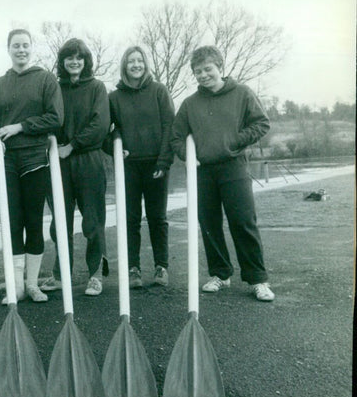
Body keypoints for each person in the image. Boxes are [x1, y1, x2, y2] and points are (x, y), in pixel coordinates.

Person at [171, 45, 274, 302]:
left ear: (220, 67)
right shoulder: (189, 104)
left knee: (243, 221)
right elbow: (175, 137)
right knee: (209, 223)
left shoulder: (242, 94)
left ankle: (257, 279)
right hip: (203, 172)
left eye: (208, 69)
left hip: (234, 166)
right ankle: (220, 274)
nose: (203, 75)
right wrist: (188, 155)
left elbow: (261, 123)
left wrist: (235, 141)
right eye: (198, 71)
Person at [0, 29, 64, 304]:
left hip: (36, 160)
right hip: (7, 163)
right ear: (9, 49)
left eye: (26, 45)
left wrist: (20, 126)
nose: (21, 50)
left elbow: (55, 118)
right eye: (16, 46)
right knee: (13, 223)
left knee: (33, 222)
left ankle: (32, 285)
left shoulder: (45, 79)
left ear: (31, 48)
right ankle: (15, 286)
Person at [38, 38, 110, 297]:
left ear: (86, 61)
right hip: (58, 162)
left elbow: (100, 125)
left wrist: (73, 146)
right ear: (63, 61)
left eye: (79, 57)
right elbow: (49, 119)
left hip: (88, 160)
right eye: (69, 57)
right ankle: (60, 274)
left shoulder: (97, 88)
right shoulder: (54, 88)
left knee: (92, 220)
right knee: (60, 221)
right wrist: (52, 142)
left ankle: (94, 275)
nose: (74, 62)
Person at [108, 45, 175, 289]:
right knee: (130, 219)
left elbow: (170, 126)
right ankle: (133, 269)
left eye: (140, 61)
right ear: (124, 66)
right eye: (131, 61)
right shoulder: (114, 97)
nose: (136, 65)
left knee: (157, 217)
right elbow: (107, 129)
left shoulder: (159, 91)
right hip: (128, 166)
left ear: (145, 64)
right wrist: (115, 146)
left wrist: (164, 161)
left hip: (156, 164)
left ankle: (161, 267)